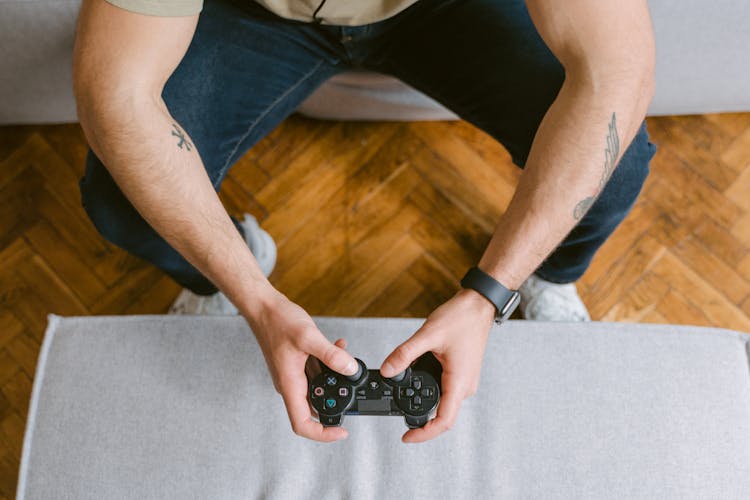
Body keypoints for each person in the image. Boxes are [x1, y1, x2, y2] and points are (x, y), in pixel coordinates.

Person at [72, 0, 657, 443]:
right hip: (256, 15)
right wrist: (255, 297)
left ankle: (543, 273)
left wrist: (488, 294)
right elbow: (114, 98)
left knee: (615, 165)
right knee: (121, 202)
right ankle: (224, 266)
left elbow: (617, 71)